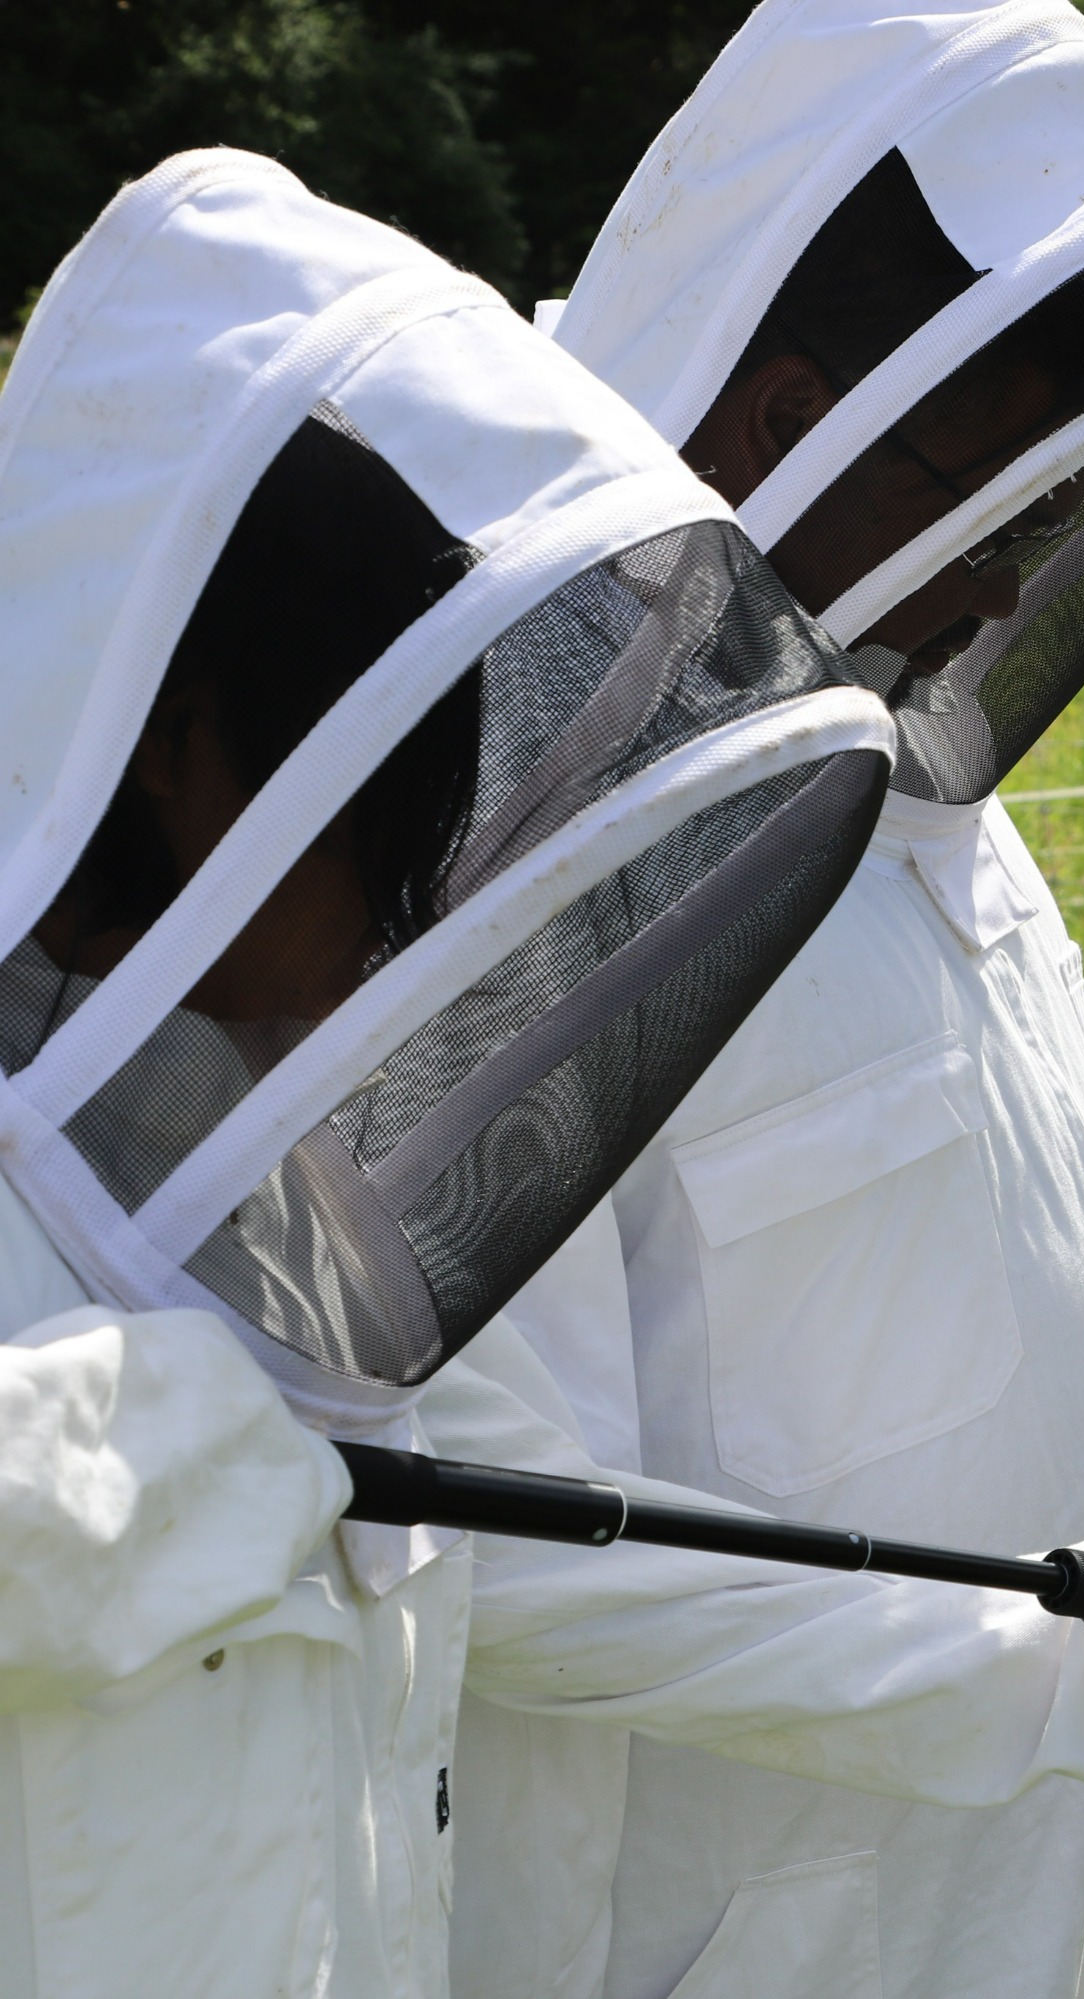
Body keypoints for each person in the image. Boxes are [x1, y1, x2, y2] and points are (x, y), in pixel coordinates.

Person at [447, 6, 1084, 1995]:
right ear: (778, 429)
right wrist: (1029, 1677)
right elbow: (491, 1539)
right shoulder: (521, 867)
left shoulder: (911, 769)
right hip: (722, 1925)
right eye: (990, 510)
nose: (1012, 590)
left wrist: (1077, 1654)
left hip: (1005, 1894)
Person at [0, 147, 893, 1997]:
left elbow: (561, 1531)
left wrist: (1065, 1638)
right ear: (170, 741)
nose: (412, 920)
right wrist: (205, 1460)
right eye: (389, 828)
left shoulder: (220, 1148)